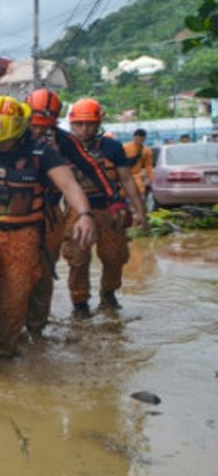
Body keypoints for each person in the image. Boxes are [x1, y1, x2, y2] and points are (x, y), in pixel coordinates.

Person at [0, 96, 97, 376]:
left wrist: (84, 214)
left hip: (25, 236)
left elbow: (69, 186)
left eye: (4, 139)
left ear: (20, 128)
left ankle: (6, 348)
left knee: (14, 302)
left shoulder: (41, 154)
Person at [24, 88, 120, 338]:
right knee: (17, 271)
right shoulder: (10, 134)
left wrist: (116, 199)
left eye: (44, 126)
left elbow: (91, 169)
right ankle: (9, 323)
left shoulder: (63, 141)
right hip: (14, 214)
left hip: (49, 212)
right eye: (34, 125)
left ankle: (37, 328)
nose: (38, 132)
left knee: (45, 270)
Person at [61, 98, 149, 317]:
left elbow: (127, 180)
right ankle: (80, 303)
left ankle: (108, 294)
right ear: (72, 124)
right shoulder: (63, 147)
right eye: (79, 124)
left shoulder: (112, 147)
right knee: (77, 258)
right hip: (77, 213)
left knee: (114, 256)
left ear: (98, 123)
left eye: (89, 124)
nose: (84, 129)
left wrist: (140, 212)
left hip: (110, 210)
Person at [123, 128, 154, 200]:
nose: (139, 139)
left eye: (141, 138)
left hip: (137, 175)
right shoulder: (125, 147)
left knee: (140, 191)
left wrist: (151, 179)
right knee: (125, 193)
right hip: (125, 175)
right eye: (138, 137)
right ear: (134, 137)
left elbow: (148, 166)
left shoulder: (146, 150)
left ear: (145, 138)